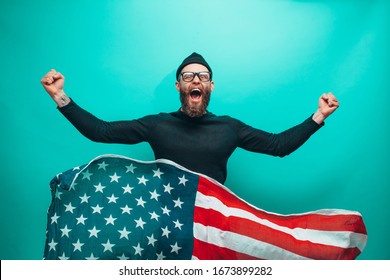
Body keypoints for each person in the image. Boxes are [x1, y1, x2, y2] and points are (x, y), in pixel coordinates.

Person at [41, 52, 339, 184]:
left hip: (214, 223)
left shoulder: (229, 128)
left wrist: (318, 116)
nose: (195, 79)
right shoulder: (157, 124)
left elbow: (278, 145)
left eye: (203, 76)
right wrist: (60, 97)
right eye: (188, 76)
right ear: (179, 86)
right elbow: (101, 131)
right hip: (164, 222)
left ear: (210, 86)